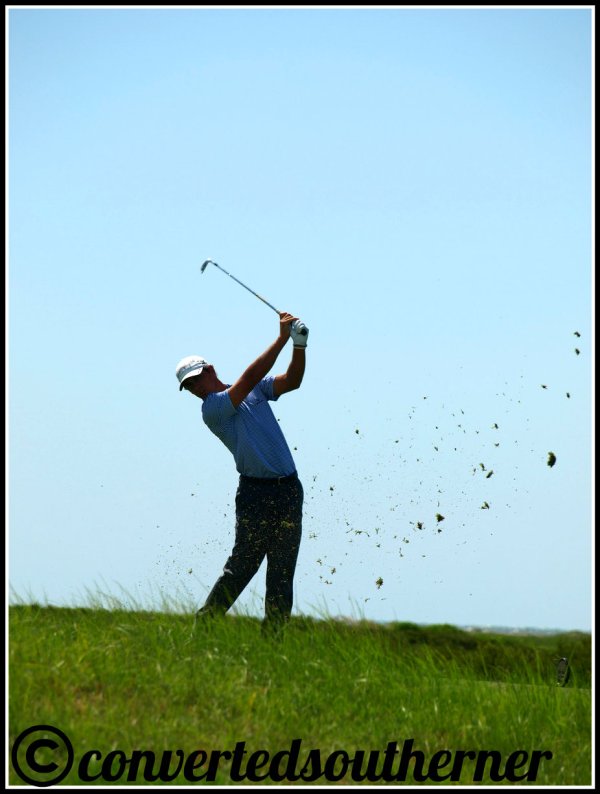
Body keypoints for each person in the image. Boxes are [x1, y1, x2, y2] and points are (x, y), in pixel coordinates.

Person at [176, 312, 308, 634]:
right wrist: (281, 339)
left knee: (281, 572)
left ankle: (273, 642)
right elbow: (250, 376)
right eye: (188, 386)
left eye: (195, 379)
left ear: (210, 370)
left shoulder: (256, 390)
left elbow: (292, 381)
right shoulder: (212, 408)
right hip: (255, 494)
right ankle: (203, 627)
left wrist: (299, 346)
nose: (194, 388)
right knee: (243, 566)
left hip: (288, 490)